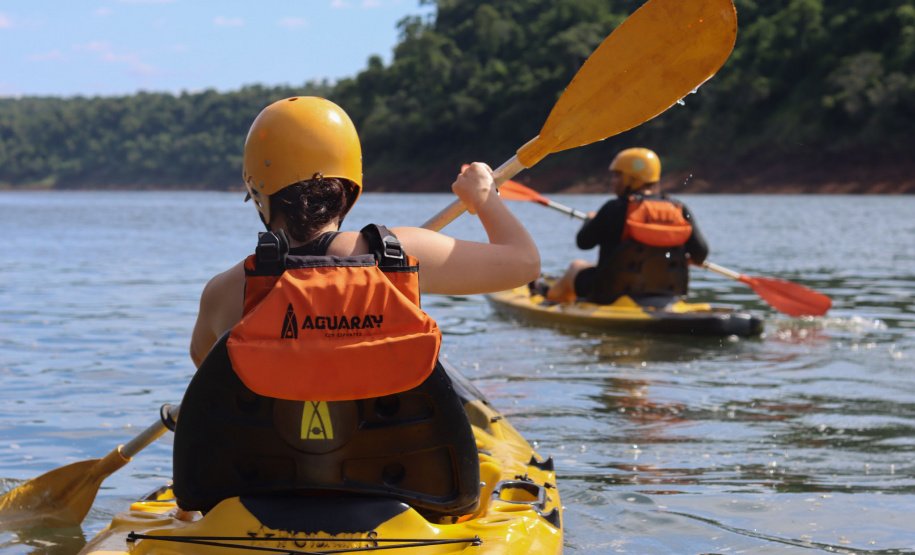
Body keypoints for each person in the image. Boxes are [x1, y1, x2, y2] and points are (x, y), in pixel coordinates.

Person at [190, 96, 541, 367]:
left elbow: (206, 367)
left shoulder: (224, 292)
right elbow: (526, 264)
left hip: (278, 442)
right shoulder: (400, 254)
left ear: (257, 192)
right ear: (351, 187)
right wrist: (483, 198)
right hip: (389, 442)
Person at [543, 147, 708, 305]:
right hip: (668, 292)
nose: (613, 182)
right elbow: (700, 255)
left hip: (608, 293)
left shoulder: (614, 207)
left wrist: (589, 220)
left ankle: (546, 298)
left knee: (576, 266)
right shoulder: (678, 209)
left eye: (617, 176)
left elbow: (583, 242)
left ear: (632, 178)